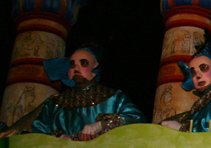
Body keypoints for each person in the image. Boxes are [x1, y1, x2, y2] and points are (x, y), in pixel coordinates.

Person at [1, 45, 146, 140]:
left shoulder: (114, 97)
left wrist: (100, 125)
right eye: (73, 64)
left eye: (83, 63)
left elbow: (137, 120)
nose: (76, 68)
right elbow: (37, 133)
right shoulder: (54, 104)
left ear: (94, 66)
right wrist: (61, 137)